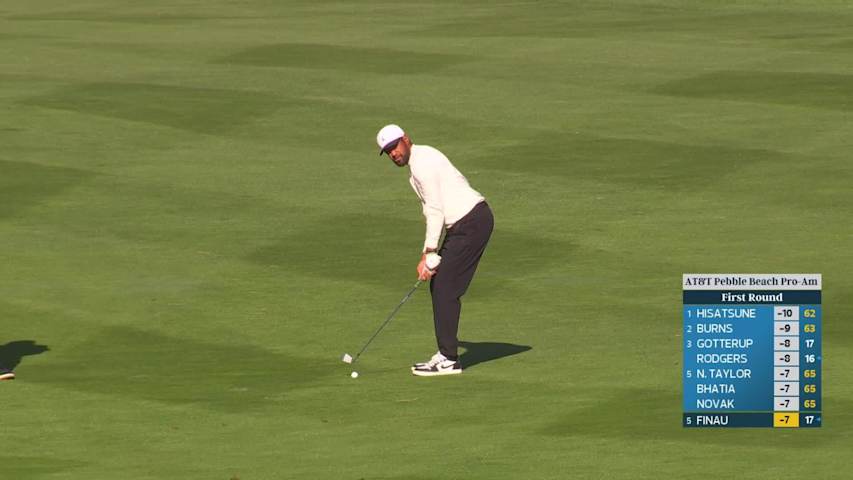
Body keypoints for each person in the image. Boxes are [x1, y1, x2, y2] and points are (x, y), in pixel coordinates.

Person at [376, 124, 494, 376]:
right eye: (388, 152)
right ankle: (447, 354)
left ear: (406, 139)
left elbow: (435, 210)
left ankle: (449, 360)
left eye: (394, 147)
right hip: (466, 223)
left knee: (444, 288)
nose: (393, 154)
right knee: (441, 286)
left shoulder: (422, 165)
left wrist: (429, 253)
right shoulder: (421, 160)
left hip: (470, 223)